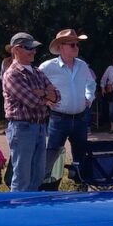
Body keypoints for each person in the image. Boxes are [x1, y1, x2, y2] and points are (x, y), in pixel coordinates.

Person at [3, 32, 60, 192]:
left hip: (41, 127)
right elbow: (31, 101)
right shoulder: (12, 74)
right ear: (16, 49)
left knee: (38, 175)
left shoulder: (38, 72)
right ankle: (17, 211)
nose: (33, 51)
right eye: (29, 48)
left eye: (34, 48)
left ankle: (32, 209)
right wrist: (45, 94)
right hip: (22, 128)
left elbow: (57, 96)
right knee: (22, 177)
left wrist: (40, 92)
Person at [39, 29, 95, 184]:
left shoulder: (83, 66)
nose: (76, 47)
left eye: (77, 44)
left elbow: (91, 84)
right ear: (61, 47)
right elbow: (34, 85)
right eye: (72, 44)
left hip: (81, 118)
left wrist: (89, 98)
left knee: (81, 155)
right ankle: (49, 188)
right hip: (59, 119)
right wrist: (45, 100)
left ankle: (81, 187)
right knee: (53, 155)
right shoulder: (47, 67)